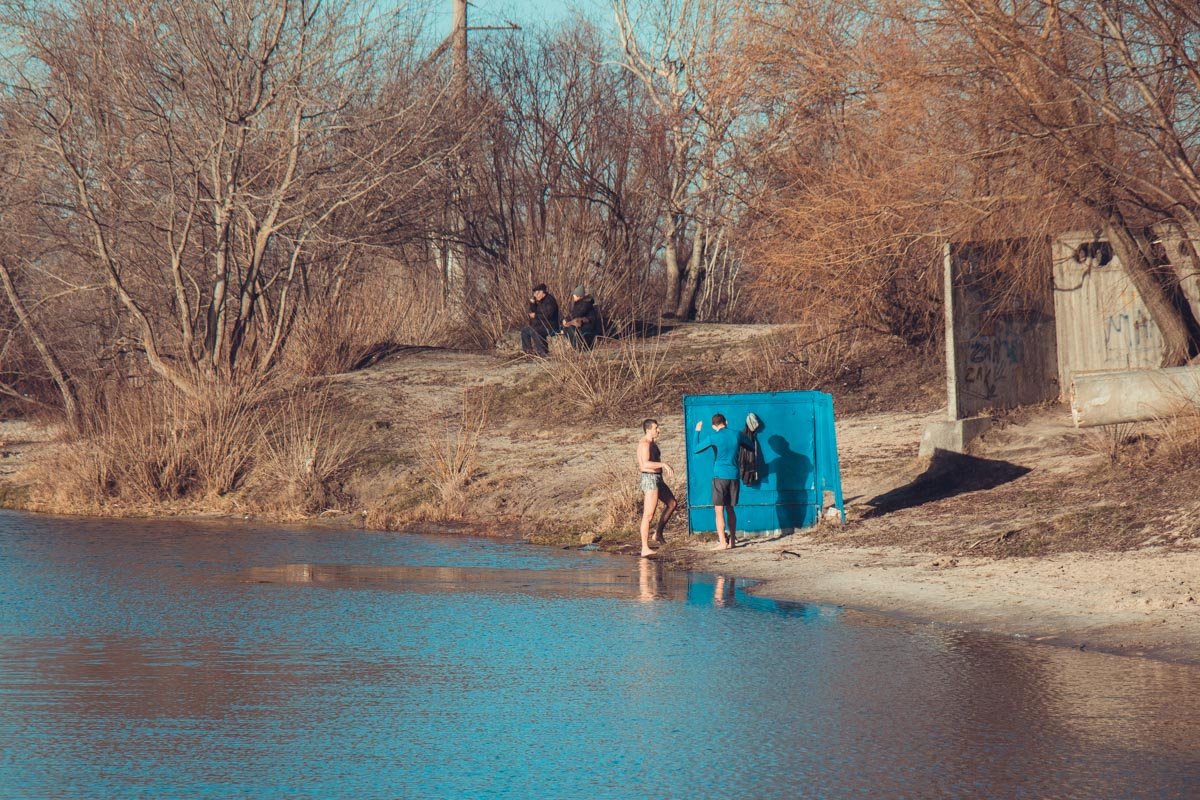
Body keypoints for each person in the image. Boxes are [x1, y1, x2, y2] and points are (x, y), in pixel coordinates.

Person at [693, 413, 750, 550]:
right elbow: (750, 446)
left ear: (713, 426)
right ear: (726, 422)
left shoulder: (713, 437)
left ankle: (723, 543)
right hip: (734, 476)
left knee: (719, 510)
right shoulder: (737, 435)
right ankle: (733, 542)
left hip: (720, 476)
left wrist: (697, 430)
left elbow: (696, 449)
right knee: (731, 509)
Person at [637, 418, 677, 557]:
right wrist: (663, 464)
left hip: (658, 478)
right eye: (656, 428)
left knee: (672, 503)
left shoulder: (653, 443)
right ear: (648, 430)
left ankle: (658, 533)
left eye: (658, 427)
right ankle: (644, 548)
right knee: (648, 515)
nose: (658, 430)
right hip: (650, 479)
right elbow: (644, 465)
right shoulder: (644, 444)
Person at [520, 283, 559, 355]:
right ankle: (527, 351)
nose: (535, 295)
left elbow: (547, 315)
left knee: (535, 330)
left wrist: (536, 316)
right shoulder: (540, 301)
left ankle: (542, 351)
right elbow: (535, 311)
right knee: (525, 330)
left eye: (537, 293)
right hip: (541, 324)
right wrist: (533, 304)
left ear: (542, 292)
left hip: (550, 325)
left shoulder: (550, 301)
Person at [560, 285, 601, 350]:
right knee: (566, 328)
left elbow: (577, 313)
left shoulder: (585, 303)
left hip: (588, 325)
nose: (573, 296)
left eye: (574, 295)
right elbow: (574, 313)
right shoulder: (580, 303)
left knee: (570, 328)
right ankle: (574, 346)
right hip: (583, 324)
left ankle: (578, 347)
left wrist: (566, 319)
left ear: (579, 295)